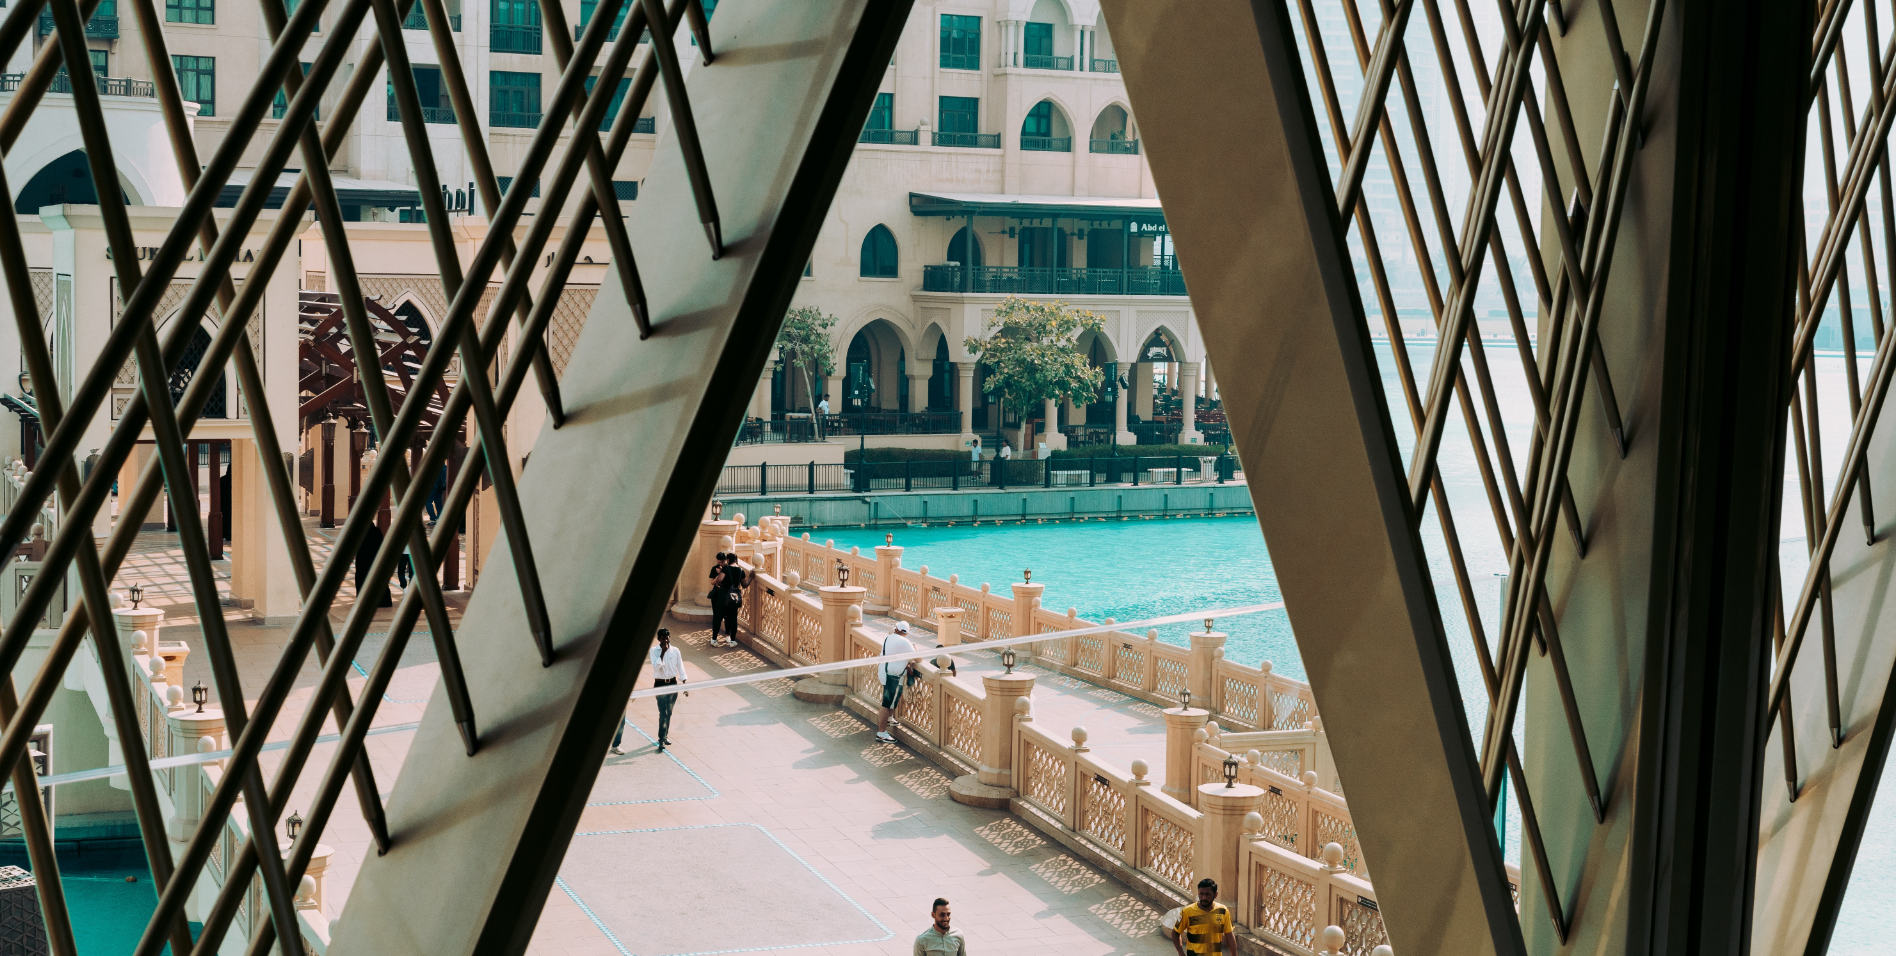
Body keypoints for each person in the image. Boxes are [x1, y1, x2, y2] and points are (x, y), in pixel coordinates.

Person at [617, 628, 687, 754]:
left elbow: (680, 667)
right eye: (663, 638)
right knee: (663, 712)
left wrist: (684, 683)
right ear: (658, 639)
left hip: (672, 683)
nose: (665, 640)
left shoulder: (675, 651)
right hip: (660, 684)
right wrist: (663, 653)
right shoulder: (654, 651)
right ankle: (661, 739)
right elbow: (655, 666)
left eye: (667, 638)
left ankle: (665, 736)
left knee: (669, 712)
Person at [1171, 878, 1235, 956]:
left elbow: (1230, 936)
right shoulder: (1187, 911)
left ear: (1215, 894)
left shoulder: (1223, 911)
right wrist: (1181, 953)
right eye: (1201, 894)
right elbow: (1175, 933)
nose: (1204, 898)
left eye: (1207, 894)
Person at [876, 621, 916, 743]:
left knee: (895, 696)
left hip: (885, 671)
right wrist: (915, 648)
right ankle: (881, 733)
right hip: (891, 676)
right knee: (886, 703)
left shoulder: (889, 637)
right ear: (907, 632)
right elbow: (918, 657)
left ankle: (889, 718)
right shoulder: (905, 642)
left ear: (896, 629)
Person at [709, 553, 747, 647]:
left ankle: (714, 639)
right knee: (733, 618)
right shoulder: (741, 570)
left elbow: (718, 580)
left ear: (728, 560)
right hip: (734, 597)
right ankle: (733, 641)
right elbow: (745, 584)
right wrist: (751, 577)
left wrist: (720, 575)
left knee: (718, 616)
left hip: (723, 595)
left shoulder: (726, 568)